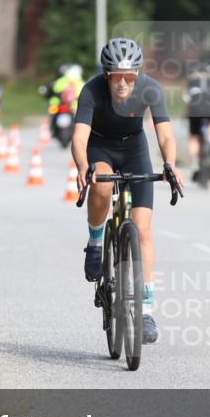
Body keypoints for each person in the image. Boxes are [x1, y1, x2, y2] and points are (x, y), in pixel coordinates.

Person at [72, 38, 184, 345]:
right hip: (101, 147)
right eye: (115, 76)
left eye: (129, 77)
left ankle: (145, 310)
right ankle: (96, 241)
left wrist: (170, 165)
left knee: (144, 230)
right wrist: (83, 165)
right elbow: (79, 138)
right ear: (106, 74)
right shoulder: (92, 90)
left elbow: (165, 135)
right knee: (103, 182)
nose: (122, 83)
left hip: (135, 150)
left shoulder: (151, 88)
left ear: (137, 74)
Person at [184, 63, 210, 180]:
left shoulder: (191, 81)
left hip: (196, 110)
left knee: (194, 137)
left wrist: (185, 115)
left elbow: (187, 100)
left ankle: (195, 166)